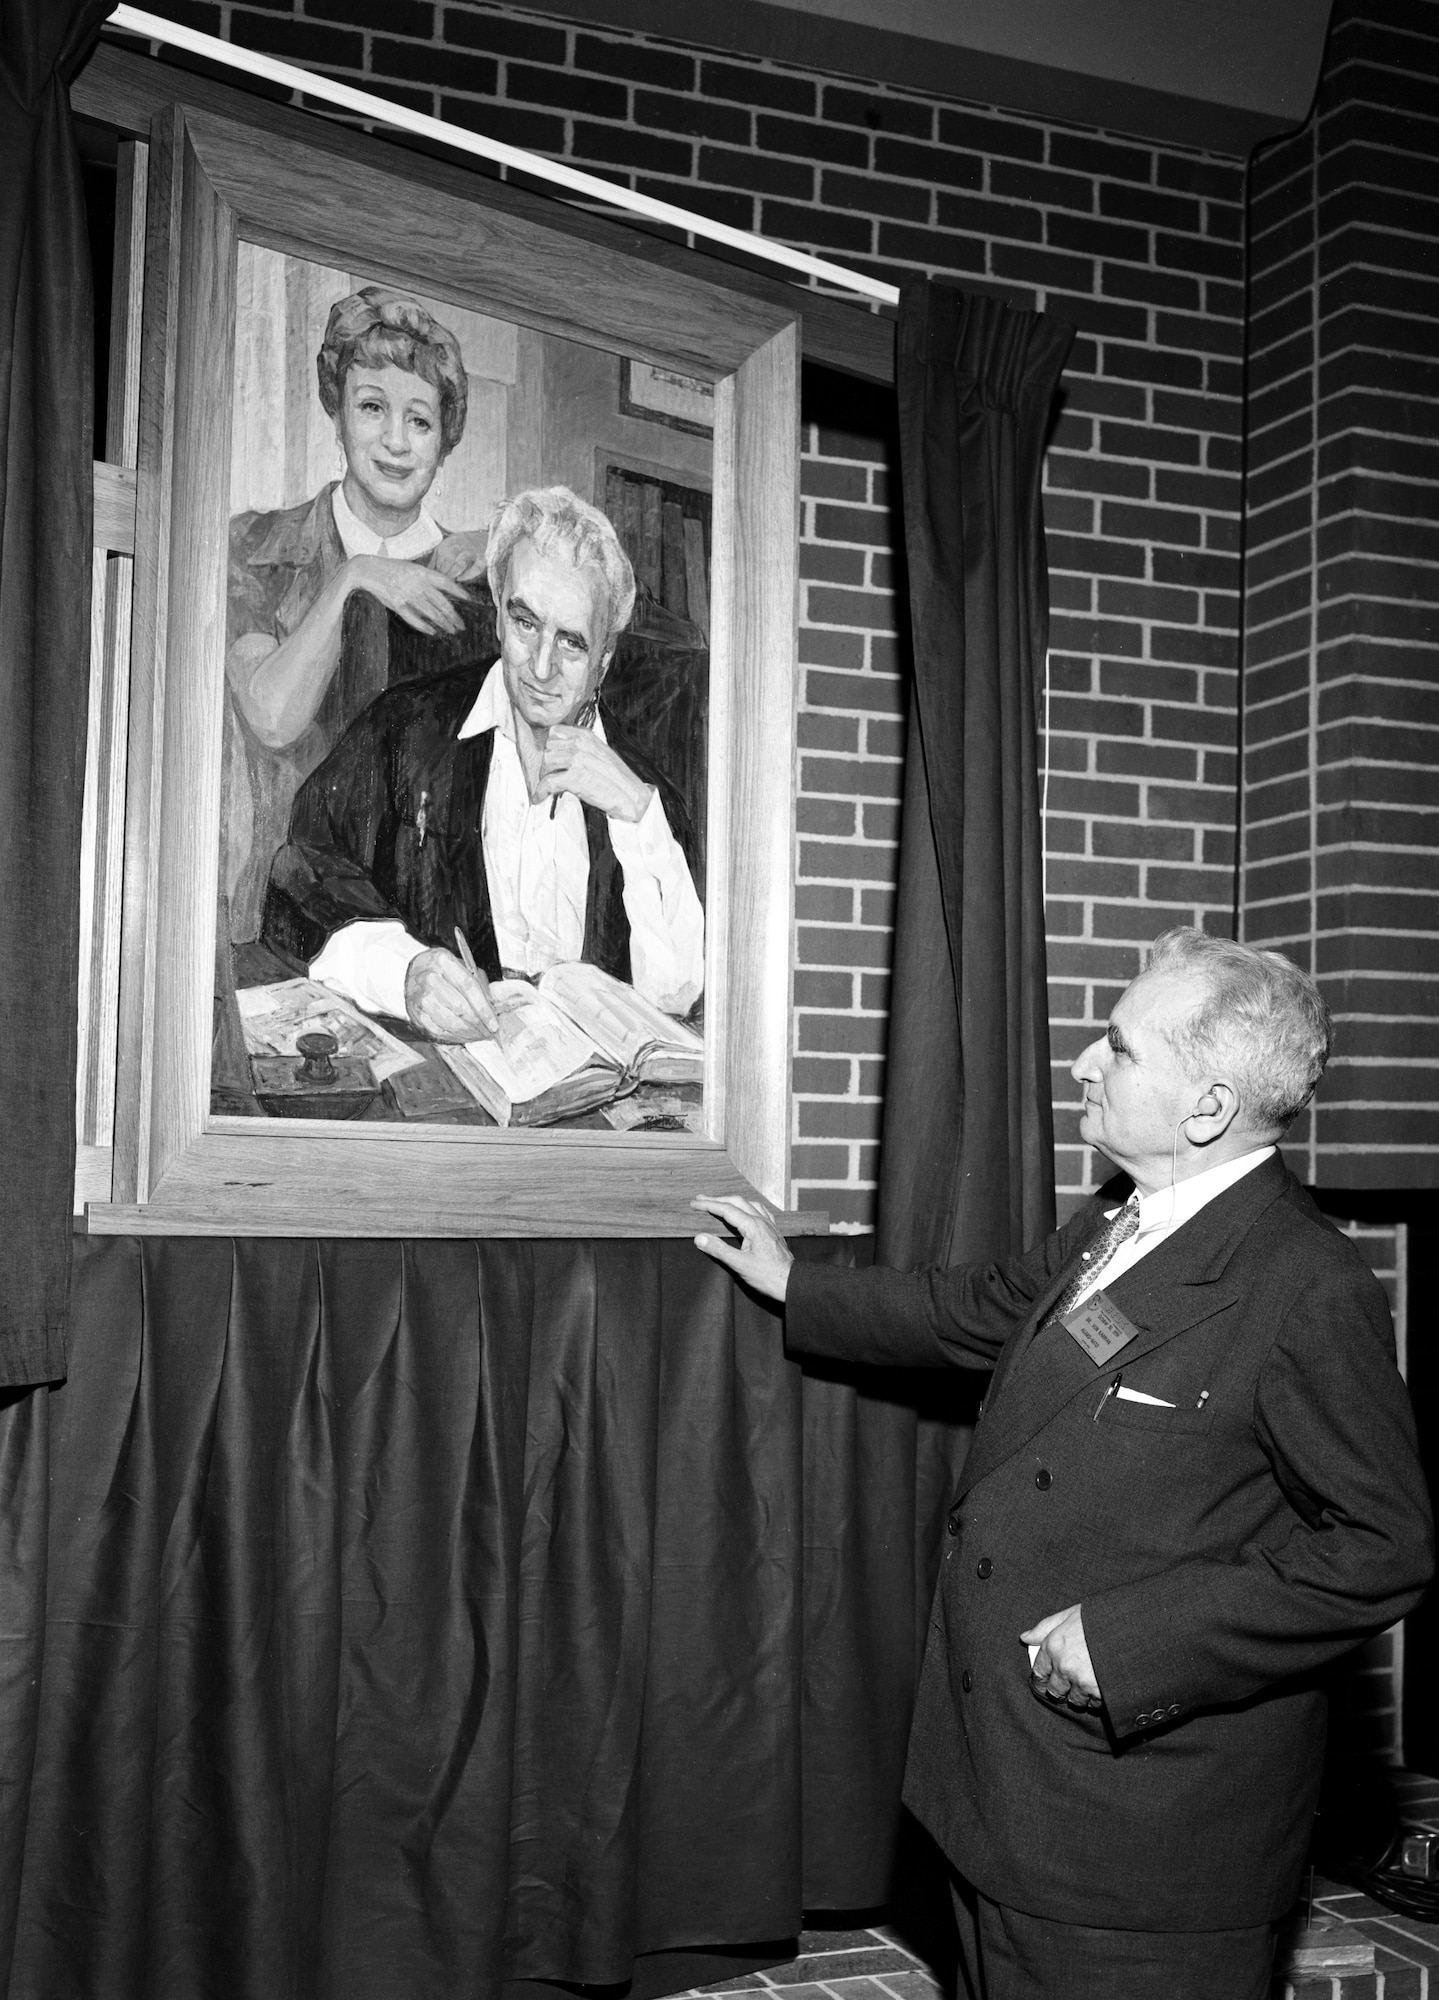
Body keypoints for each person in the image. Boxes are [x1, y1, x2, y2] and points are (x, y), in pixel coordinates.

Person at [693, 928, 1433, 2000]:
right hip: (1007, 1800)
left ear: (1206, 1106)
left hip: (1137, 1854)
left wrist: (1129, 1641)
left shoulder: (1302, 1285)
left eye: (1118, 1047)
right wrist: (795, 1283)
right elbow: (977, 1307)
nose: (1084, 1062)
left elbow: (1381, 1547)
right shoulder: (1118, 1221)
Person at [261, 485, 705, 1039]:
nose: (541, 668)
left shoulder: (644, 792)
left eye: (571, 642)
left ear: (605, 659)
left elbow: (679, 995)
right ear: (497, 616)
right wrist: (403, 973)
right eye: (525, 623)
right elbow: (298, 873)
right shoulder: (405, 729)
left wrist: (636, 814)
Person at [224, 285, 485, 939]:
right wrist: (354, 578)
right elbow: (273, 717)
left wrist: (516, 545)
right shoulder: (254, 548)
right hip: (272, 921)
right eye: (372, 408)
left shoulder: (478, 577)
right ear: (336, 412)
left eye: (420, 420)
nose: (396, 441)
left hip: (422, 941)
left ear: (445, 438)